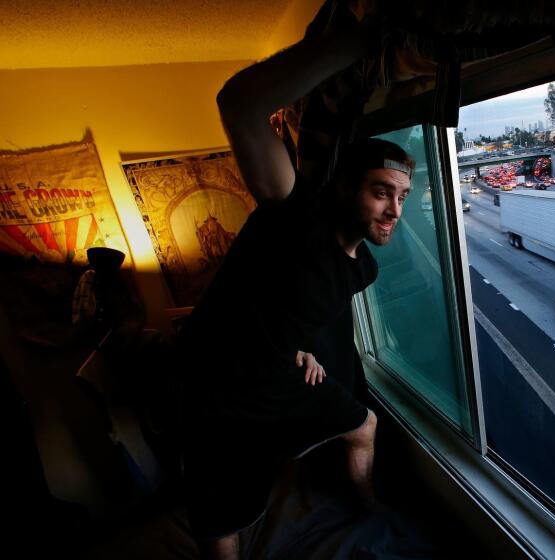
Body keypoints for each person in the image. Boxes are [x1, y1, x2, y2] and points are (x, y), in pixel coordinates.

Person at [174, 19, 414, 560]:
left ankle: (369, 505)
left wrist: (302, 350)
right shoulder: (294, 213)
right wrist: (354, 42)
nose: (394, 210)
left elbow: (295, 310)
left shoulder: (363, 270)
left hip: (281, 378)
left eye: (402, 196)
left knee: (364, 424)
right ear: (349, 186)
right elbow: (238, 103)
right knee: (222, 522)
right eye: (382, 192)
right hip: (218, 389)